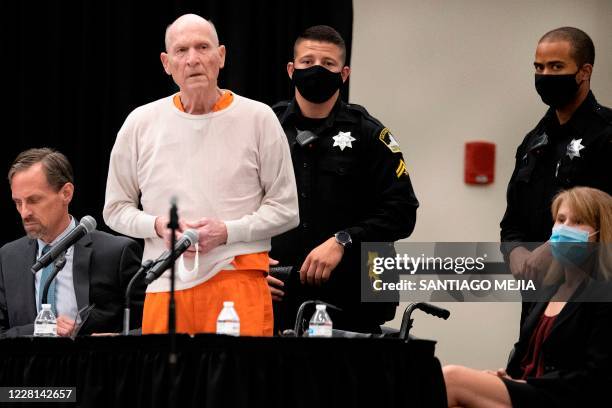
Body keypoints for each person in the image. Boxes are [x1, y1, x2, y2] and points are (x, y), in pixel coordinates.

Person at [103, 14, 299, 336]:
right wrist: (156, 226)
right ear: (166, 63)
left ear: (220, 56)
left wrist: (227, 231)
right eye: (181, 51)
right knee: (164, 386)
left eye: (202, 47)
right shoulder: (140, 123)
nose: (192, 59)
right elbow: (114, 209)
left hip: (237, 279)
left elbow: (286, 210)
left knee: (238, 386)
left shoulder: (258, 118)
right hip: (163, 282)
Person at [269, 25, 419, 333]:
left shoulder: (369, 134)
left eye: (328, 64)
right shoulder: (265, 129)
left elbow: (402, 213)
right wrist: (247, 268)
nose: (317, 70)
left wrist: (343, 241)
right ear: (290, 69)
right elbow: (236, 207)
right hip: (278, 293)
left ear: (344, 73)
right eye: (307, 62)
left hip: (352, 299)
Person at [444, 186, 612, 407]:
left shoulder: (604, 293)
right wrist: (504, 378)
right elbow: (524, 354)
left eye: (578, 221)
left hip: (562, 397)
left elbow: (596, 377)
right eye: (560, 220)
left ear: (601, 234)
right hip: (530, 392)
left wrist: (523, 385)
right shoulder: (549, 289)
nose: (564, 229)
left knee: (451, 378)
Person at [501, 27, 612, 284]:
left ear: (584, 72)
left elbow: (605, 216)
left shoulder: (605, 134)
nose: (545, 75)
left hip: (592, 289)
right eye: (539, 68)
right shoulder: (534, 141)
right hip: (536, 290)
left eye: (556, 67)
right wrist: (515, 250)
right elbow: (512, 219)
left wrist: (554, 248)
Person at [0, 148, 145, 338]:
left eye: (34, 200)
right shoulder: (9, 257)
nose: (24, 212)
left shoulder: (116, 253)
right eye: (18, 203)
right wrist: (40, 328)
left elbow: (151, 327)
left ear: (66, 193)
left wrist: (115, 342)